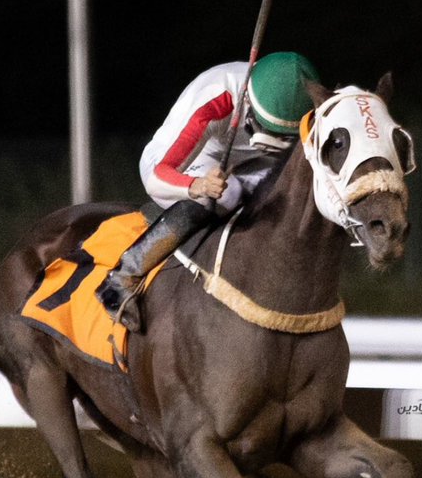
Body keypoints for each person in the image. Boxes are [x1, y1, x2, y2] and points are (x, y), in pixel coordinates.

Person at [97, 51, 320, 330]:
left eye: (281, 133)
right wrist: (196, 185)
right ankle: (122, 278)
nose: (272, 138)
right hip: (194, 158)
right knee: (227, 193)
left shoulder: (311, 108)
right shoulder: (217, 98)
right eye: (267, 127)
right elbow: (156, 174)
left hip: (255, 163)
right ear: (248, 100)